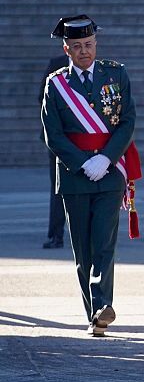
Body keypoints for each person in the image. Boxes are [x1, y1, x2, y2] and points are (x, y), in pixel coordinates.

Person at [41, 15, 139, 336]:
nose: (85, 51)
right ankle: (94, 313)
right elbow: (53, 135)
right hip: (75, 175)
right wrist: (82, 163)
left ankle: (102, 306)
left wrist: (108, 158)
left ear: (96, 44)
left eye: (89, 45)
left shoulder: (116, 74)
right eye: (77, 47)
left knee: (104, 242)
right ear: (67, 49)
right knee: (83, 249)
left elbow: (126, 121)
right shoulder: (56, 84)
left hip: (110, 173)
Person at [39, 54, 69, 249]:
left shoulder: (96, 67)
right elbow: (42, 97)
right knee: (58, 187)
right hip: (59, 137)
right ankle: (56, 234)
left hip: (85, 138)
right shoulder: (56, 65)